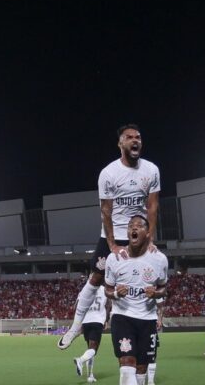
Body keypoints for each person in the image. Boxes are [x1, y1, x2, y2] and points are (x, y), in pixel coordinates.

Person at [59, 124, 161, 350]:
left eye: (138, 137)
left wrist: (150, 238)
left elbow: (152, 206)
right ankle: (76, 326)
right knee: (95, 278)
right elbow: (106, 210)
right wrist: (112, 243)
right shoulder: (109, 173)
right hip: (113, 235)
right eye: (129, 137)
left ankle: (147, 327)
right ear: (120, 143)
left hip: (139, 235)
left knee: (147, 279)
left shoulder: (151, 170)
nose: (135, 140)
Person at [104, 215, 168, 385]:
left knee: (141, 369)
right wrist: (117, 294)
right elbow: (107, 290)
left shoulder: (159, 259)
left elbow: (163, 288)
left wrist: (155, 293)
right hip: (122, 317)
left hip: (147, 319)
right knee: (127, 364)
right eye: (131, 226)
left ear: (147, 233)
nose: (134, 228)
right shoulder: (114, 258)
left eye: (139, 226)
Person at [73, 286, 111, 383]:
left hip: (86, 321)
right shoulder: (104, 289)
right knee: (93, 349)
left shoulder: (84, 289)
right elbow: (109, 305)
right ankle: (80, 360)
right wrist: (106, 320)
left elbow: (76, 307)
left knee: (90, 349)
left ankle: (90, 375)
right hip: (97, 320)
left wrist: (78, 321)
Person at [148, 297, 164, 385]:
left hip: (150, 324)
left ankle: (150, 381)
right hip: (135, 325)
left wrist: (160, 319)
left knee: (152, 354)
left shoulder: (154, 289)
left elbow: (161, 306)